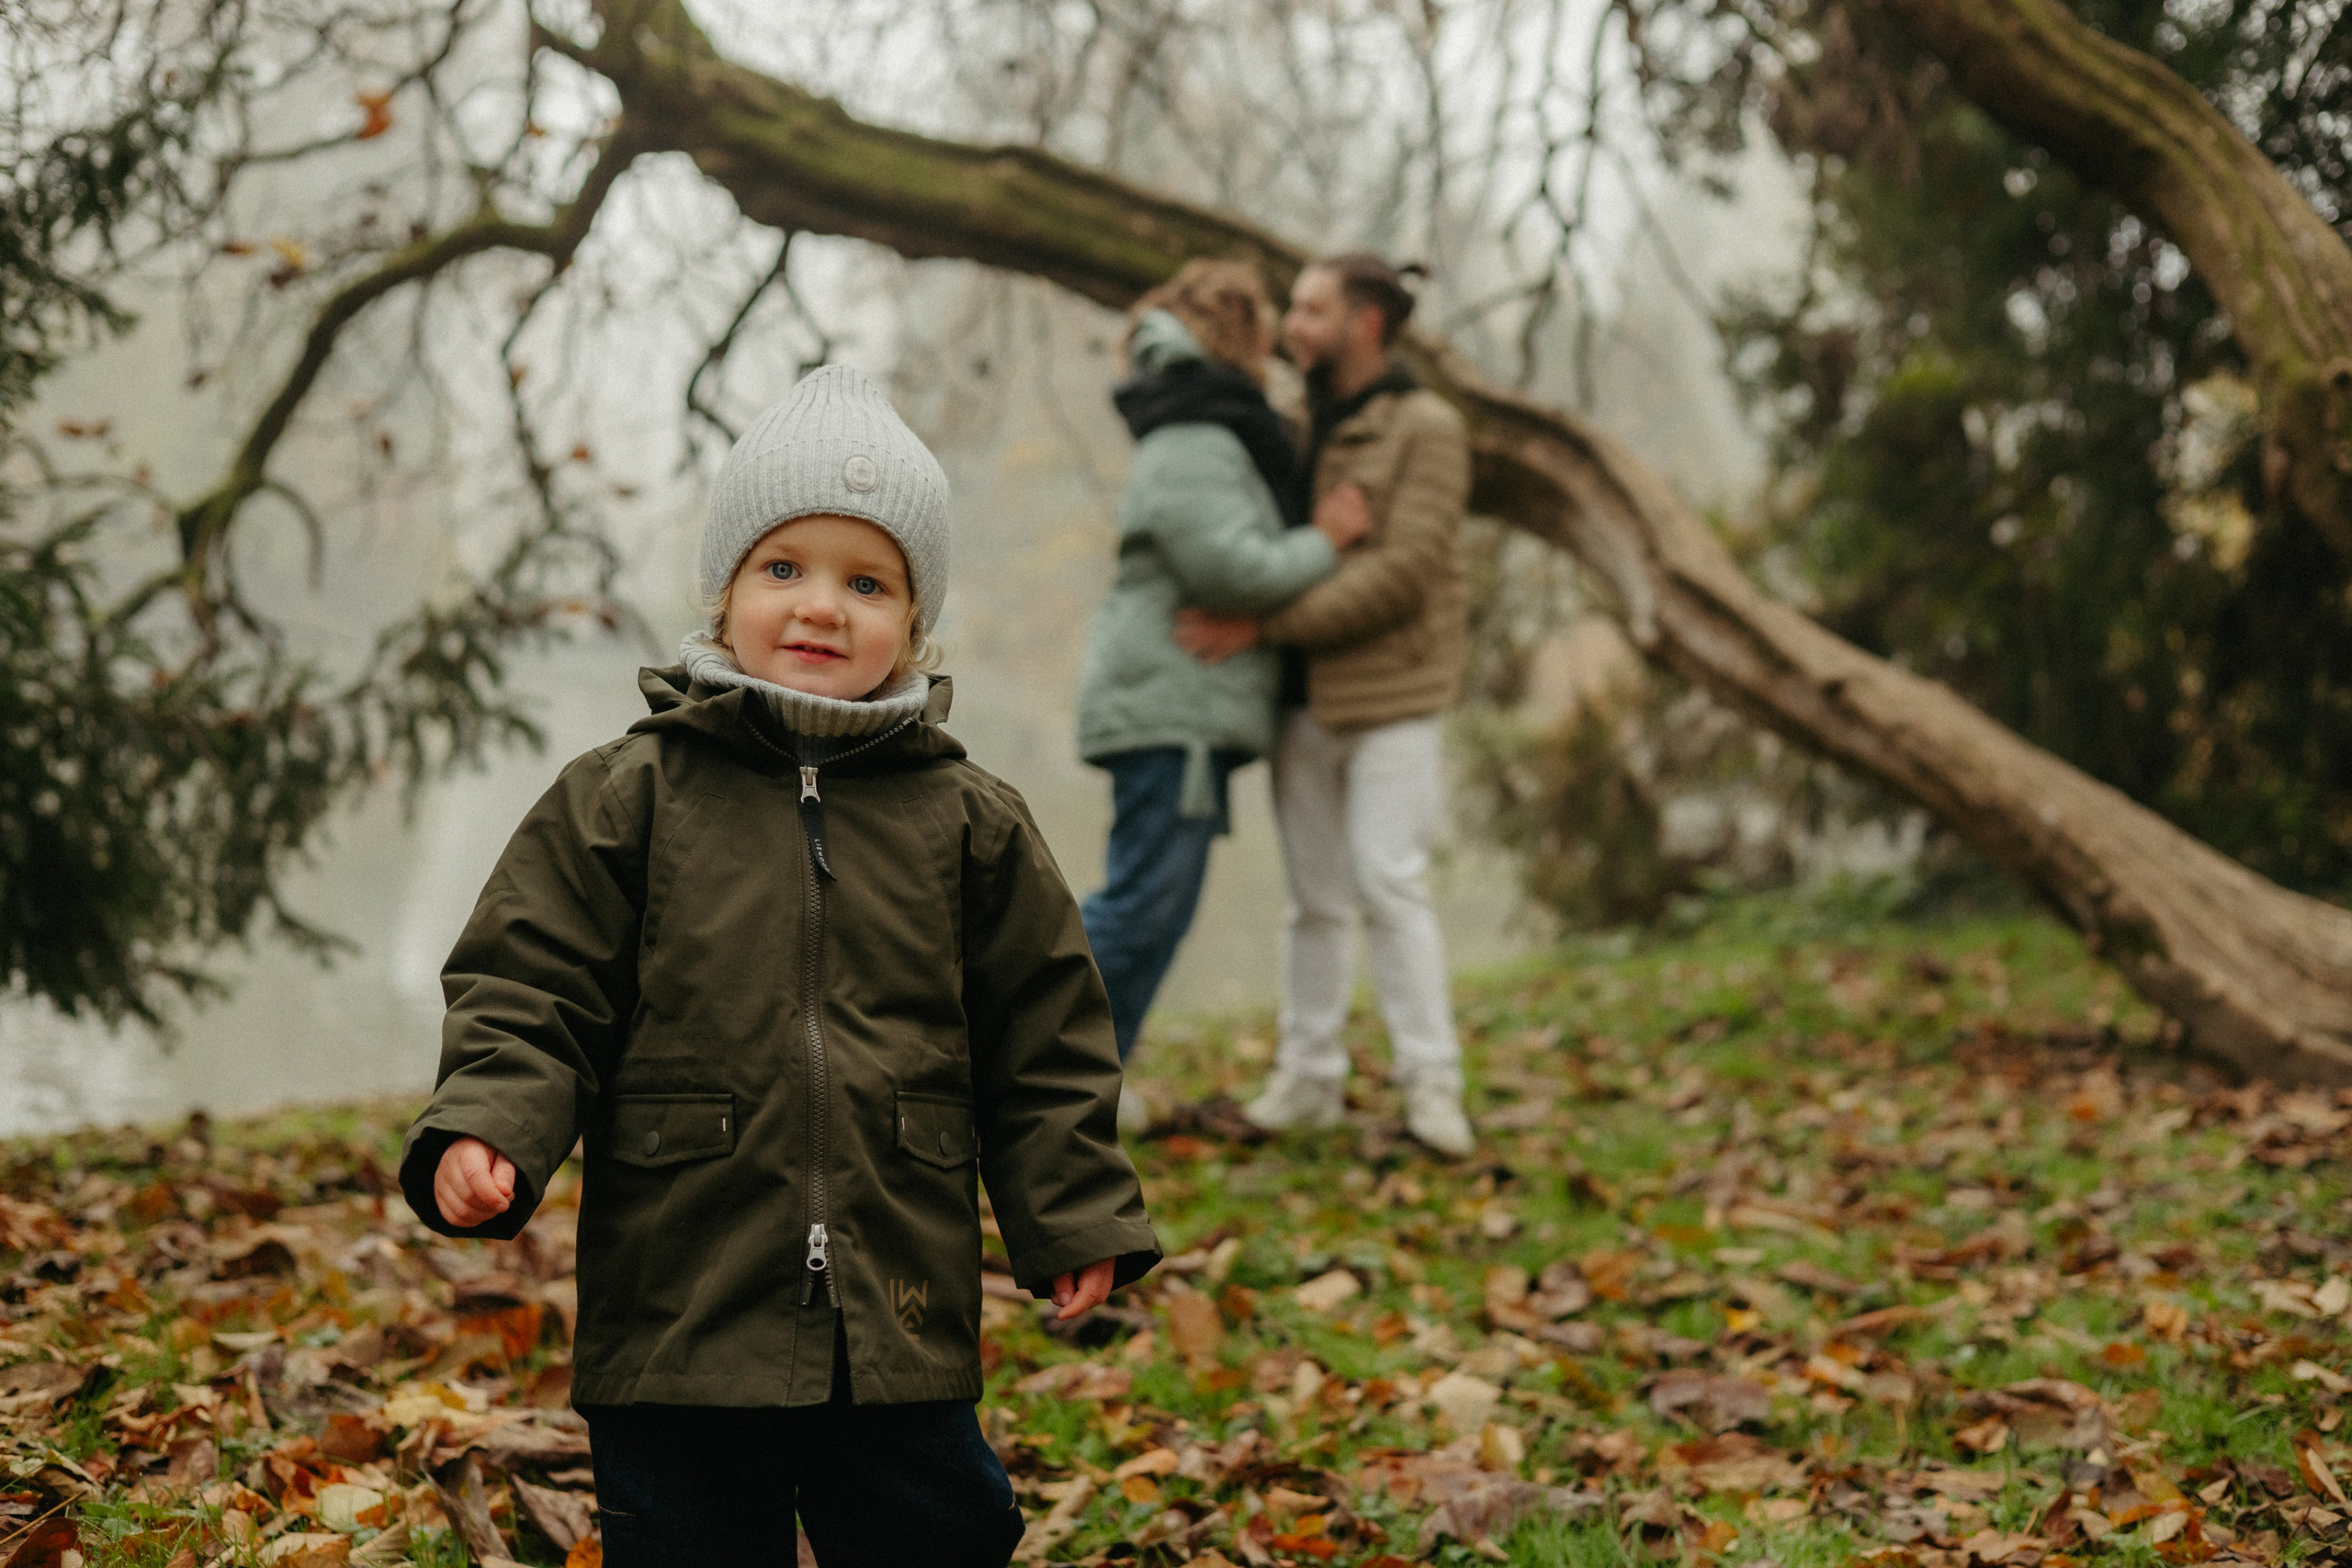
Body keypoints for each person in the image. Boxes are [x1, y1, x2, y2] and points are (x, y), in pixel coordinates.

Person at [396, 366, 1160, 1568]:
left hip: (893, 1303)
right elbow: (530, 981)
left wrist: (1070, 1211)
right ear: (726, 590)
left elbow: (1045, 1029)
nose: (821, 606)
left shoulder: (972, 818)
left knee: (943, 1527)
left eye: (867, 581)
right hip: (679, 1300)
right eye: (784, 568)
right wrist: (488, 1122)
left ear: (916, 619)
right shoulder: (630, 793)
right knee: (693, 1539)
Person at [1176, 254, 1476, 1157]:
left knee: (1388, 882)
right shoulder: (1293, 426)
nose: (1292, 326)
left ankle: (1432, 1093)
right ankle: (1306, 1083)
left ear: (1367, 322)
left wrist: (1261, 625)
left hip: (1393, 700)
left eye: (1310, 310)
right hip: (1298, 705)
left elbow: (1402, 572)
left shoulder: (1429, 428)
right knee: (1312, 901)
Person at [1074, 261, 1371, 1122]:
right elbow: (1230, 570)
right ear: (1237, 334)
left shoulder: (1199, 422)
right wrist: (1325, 539)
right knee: (1140, 903)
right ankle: (1031, 1078)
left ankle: (1084, 1082)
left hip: (1180, 703)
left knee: (1156, 906)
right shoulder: (1196, 434)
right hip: (1169, 698)